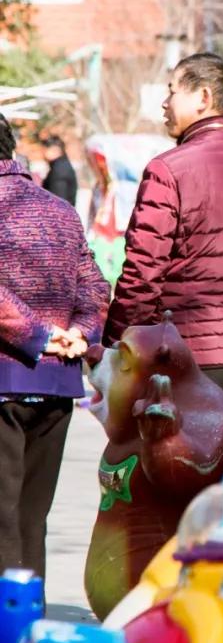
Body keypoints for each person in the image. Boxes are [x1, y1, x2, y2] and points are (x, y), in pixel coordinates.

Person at [104, 53, 223, 427]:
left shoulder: (168, 170)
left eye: (172, 91)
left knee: (184, 464)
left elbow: (143, 273)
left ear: (203, 97)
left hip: (190, 360)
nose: (165, 103)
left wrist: (118, 345)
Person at [0, 113, 110, 578]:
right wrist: (79, 334)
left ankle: (9, 618)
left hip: (8, 377)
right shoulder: (61, 210)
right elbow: (95, 286)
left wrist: (41, 335)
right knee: (31, 518)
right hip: (56, 383)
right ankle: (30, 615)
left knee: (4, 523)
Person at [41, 135, 78, 206]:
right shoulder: (61, 165)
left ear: (55, 150)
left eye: (44, 150)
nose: (42, 153)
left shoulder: (59, 170)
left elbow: (59, 200)